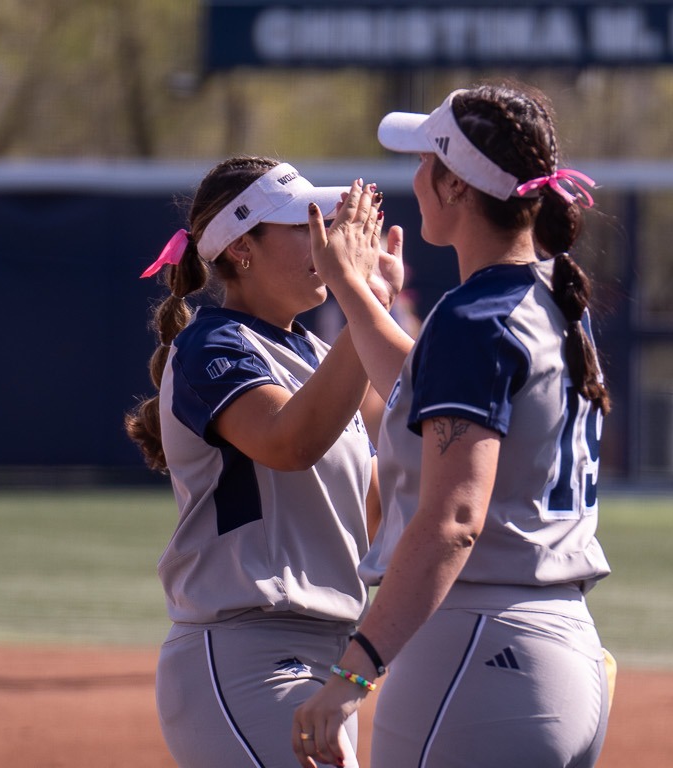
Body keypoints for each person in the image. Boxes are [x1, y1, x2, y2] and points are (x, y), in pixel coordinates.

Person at [293, 83, 614, 768]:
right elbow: (424, 395)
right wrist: (352, 290)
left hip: (480, 650)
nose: (415, 178)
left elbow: (454, 520)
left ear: (456, 186)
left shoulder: (475, 318)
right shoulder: (551, 297)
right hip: (563, 649)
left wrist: (352, 674)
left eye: (424, 162)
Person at [126, 156, 401, 767]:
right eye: (304, 226)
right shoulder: (210, 345)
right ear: (242, 247)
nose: (326, 241)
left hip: (329, 658)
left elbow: (375, 511)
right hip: (248, 653)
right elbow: (289, 443)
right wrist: (364, 305)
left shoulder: (318, 351)